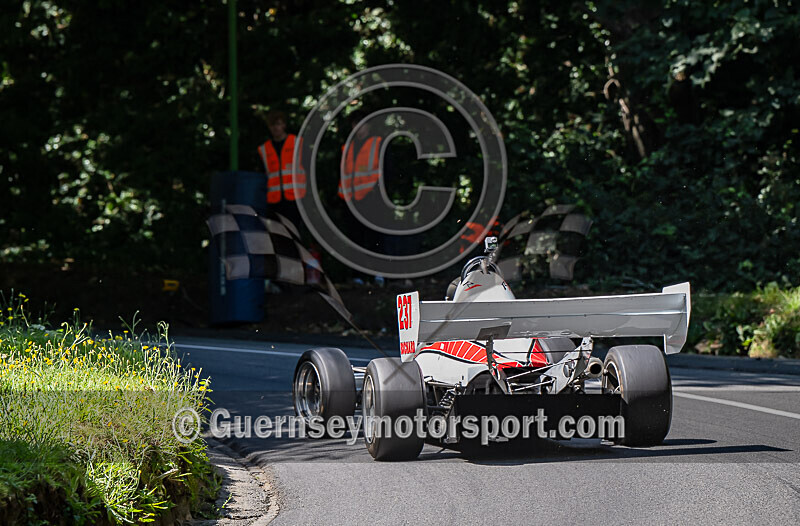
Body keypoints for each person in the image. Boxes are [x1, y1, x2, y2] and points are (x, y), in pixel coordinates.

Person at [257, 110, 304, 227]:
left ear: (284, 125)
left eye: (278, 124)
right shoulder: (264, 149)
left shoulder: (297, 142)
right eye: (272, 125)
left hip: (295, 198)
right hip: (274, 200)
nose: (275, 128)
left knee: (294, 232)